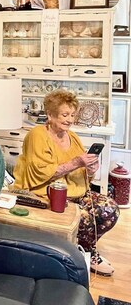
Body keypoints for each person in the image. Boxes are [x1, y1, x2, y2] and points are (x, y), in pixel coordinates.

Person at [13, 89, 119, 276]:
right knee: (85, 217)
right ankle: (80, 255)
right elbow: (40, 173)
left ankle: (82, 249)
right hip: (45, 193)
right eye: (64, 115)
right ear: (51, 115)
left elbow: (80, 172)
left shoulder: (73, 137)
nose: (70, 119)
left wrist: (90, 170)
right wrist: (76, 162)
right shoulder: (37, 135)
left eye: (72, 114)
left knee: (110, 209)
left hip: (75, 192)